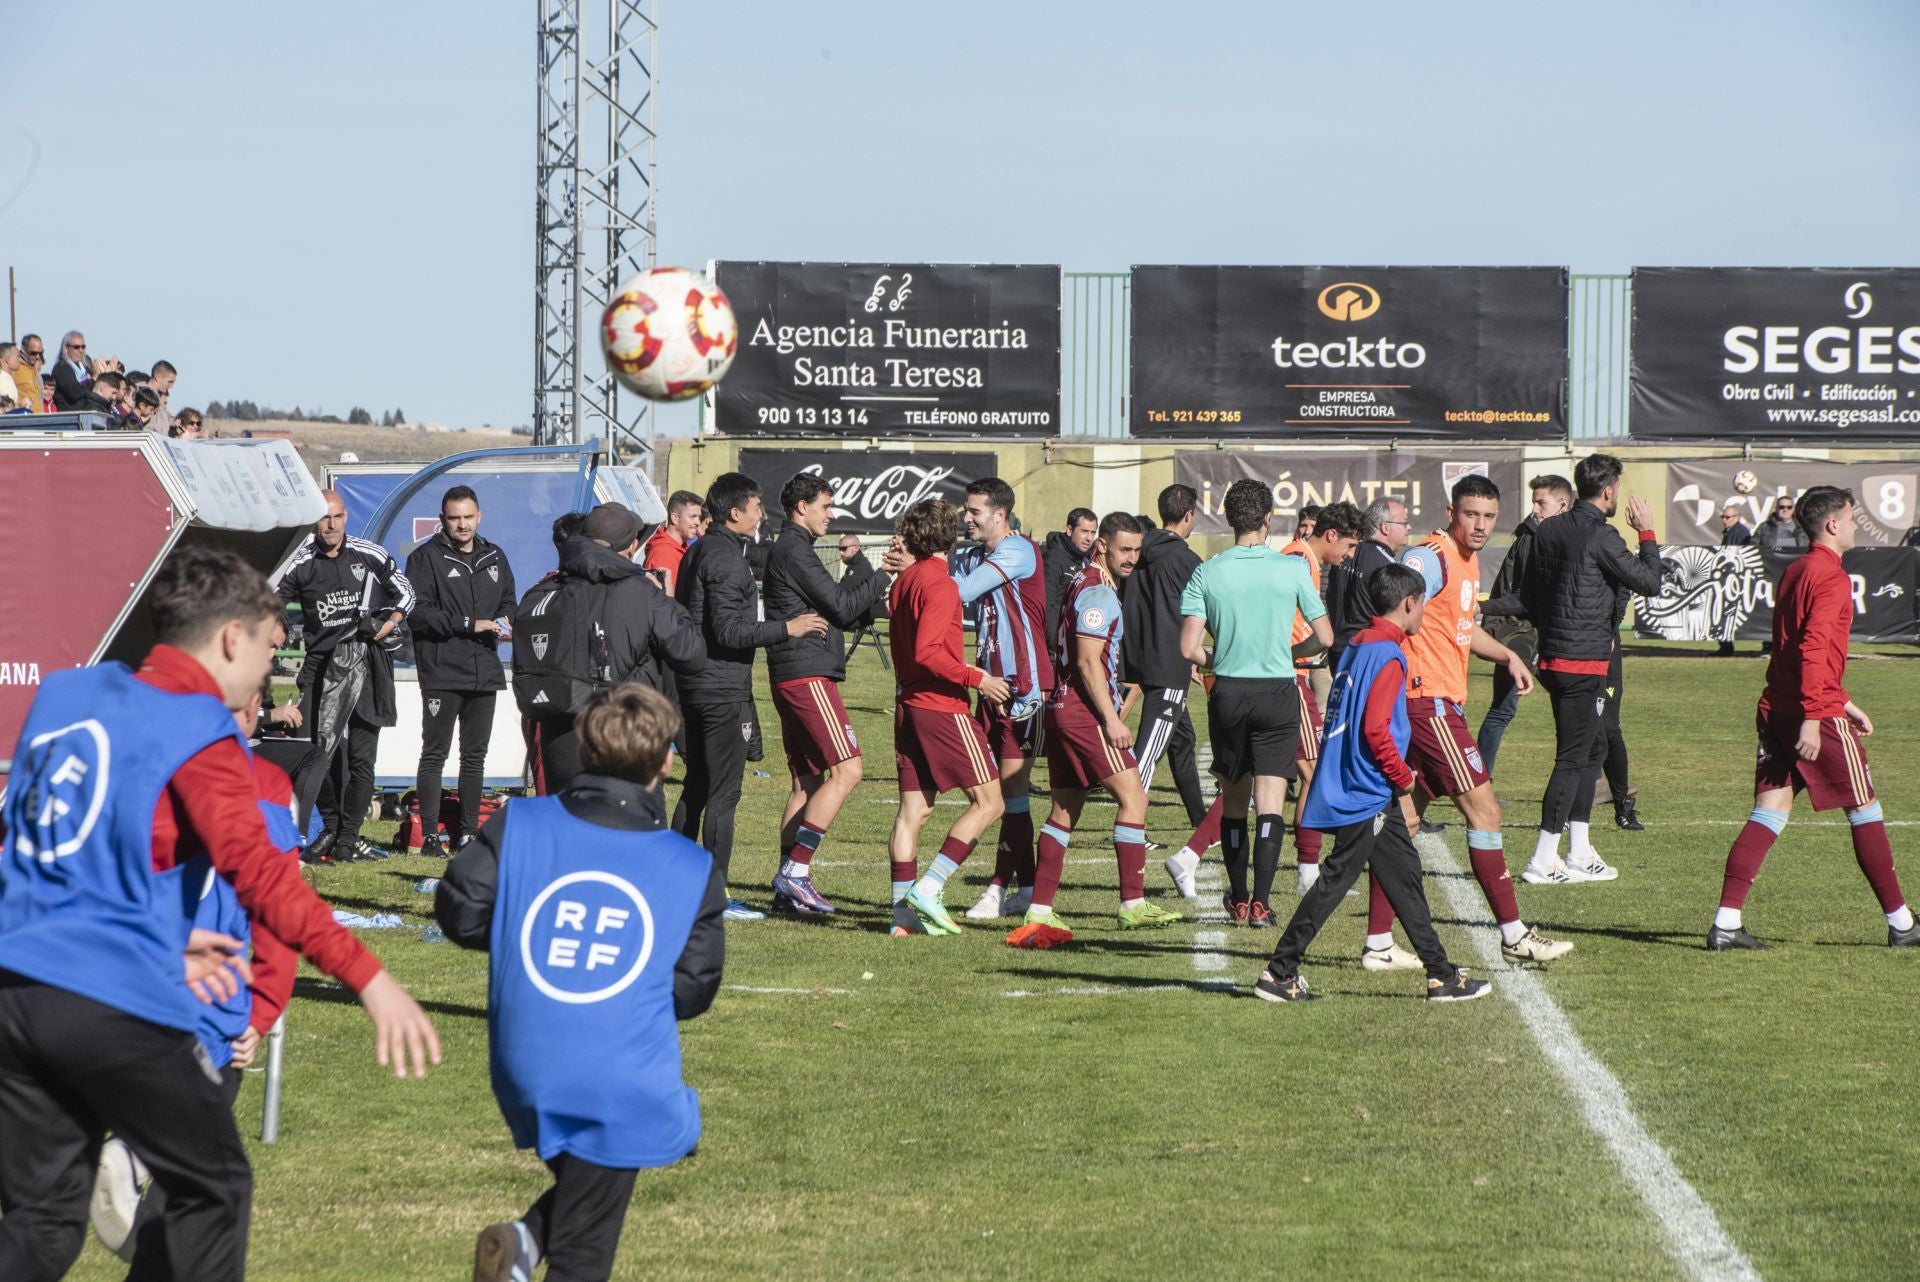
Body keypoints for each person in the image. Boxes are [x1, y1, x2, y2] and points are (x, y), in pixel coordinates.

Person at [0, 545, 439, 1282]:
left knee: (43, 1225)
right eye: (271, 650)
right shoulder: (194, 725)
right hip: (101, 1001)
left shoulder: (63, 696)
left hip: (14, 992)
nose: (270, 671)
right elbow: (262, 876)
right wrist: (370, 979)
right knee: (213, 1187)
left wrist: (162, 940)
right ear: (231, 638)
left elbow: (56, 856)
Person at [437, 684, 724, 1282]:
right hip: (620, 1069)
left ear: (586, 752)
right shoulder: (690, 865)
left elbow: (460, 909)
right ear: (668, 761)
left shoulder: (521, 821)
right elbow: (693, 989)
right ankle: (527, 1244)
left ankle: (522, 1243)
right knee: (586, 1249)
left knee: (594, 1182)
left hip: (525, 1059)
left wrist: (530, 938)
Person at [89, 683, 304, 1265]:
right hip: (212, 1005)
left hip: (120, 996)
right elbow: (279, 919)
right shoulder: (265, 788)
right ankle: (132, 1156)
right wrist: (261, 1012)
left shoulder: (131, 775)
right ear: (255, 708)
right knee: (209, 1189)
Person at [1252, 563, 1492, 1004]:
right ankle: (1279, 971)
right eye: (1423, 605)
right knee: (1335, 881)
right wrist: (1403, 778)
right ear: (1409, 603)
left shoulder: (1361, 643)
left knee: (1405, 878)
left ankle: (1441, 975)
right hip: (1368, 790)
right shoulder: (1388, 653)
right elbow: (1377, 730)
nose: (1423, 613)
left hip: (1364, 785)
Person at [1706, 485, 1919, 952]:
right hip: (1808, 712)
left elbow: (1796, 645)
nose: (1857, 523)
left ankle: (1725, 924)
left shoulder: (1799, 569)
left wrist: (1843, 700)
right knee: (1865, 809)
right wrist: (1816, 714)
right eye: (1851, 515)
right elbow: (1812, 647)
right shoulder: (1830, 576)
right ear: (1832, 525)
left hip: (1780, 706)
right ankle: (1903, 924)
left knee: (1769, 812)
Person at [1376, 476, 1572, 968]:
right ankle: (1513, 935)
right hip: (1430, 705)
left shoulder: (1466, 561)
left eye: (1488, 516)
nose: (1480, 525)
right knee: (1485, 812)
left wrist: (1508, 655)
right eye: (1471, 515)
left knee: (1405, 822)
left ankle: (1377, 944)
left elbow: (1461, 633)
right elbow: (1394, 594)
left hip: (1433, 704)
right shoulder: (1433, 555)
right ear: (1451, 513)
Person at [1011, 511, 1183, 945]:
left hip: (1064, 707)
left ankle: (1040, 910)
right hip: (1084, 713)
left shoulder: (1085, 581)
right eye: (1124, 549)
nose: (1132, 558)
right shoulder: (1098, 592)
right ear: (1102, 545)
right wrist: (1110, 718)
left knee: (1065, 810)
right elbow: (1087, 659)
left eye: (1136, 550)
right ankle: (1132, 904)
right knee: (1135, 798)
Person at [1178, 478, 1333, 927]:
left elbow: (1189, 648)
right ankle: (1262, 904)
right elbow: (1324, 638)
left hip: (1228, 690)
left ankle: (1239, 897)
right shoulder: (1291, 569)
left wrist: (1219, 657)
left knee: (1233, 801)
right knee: (1271, 800)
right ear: (1269, 519)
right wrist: (1293, 655)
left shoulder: (1208, 570)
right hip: (1277, 692)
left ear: (1228, 520)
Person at [673, 473, 826, 921]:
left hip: (701, 684)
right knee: (722, 795)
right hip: (719, 688)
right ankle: (711, 899)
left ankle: (678, 887)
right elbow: (727, 630)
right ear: (735, 512)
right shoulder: (722, 557)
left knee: (698, 787)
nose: (762, 514)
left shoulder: (706, 550)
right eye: (757, 507)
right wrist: (787, 628)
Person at [1520, 453, 1664, 885]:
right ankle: (1543, 858)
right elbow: (1650, 581)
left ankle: (1580, 851)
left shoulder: (1549, 530)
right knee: (1572, 758)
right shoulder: (1602, 536)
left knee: (1589, 752)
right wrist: (1648, 532)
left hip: (1556, 658)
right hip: (1583, 661)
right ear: (1608, 491)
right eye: (1617, 488)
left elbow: (1533, 595)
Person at [762, 472, 890, 915]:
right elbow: (839, 605)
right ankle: (795, 873)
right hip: (807, 674)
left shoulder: (793, 549)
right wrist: (884, 574)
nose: (831, 515)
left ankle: (785, 893)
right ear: (801, 507)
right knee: (849, 770)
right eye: (825, 506)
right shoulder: (794, 548)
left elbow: (839, 611)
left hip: (793, 672)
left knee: (806, 783)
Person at [882, 498, 1010, 936]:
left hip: (910, 706)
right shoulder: (940, 583)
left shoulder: (906, 581)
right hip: (941, 707)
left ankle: (902, 918)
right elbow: (928, 652)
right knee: (990, 802)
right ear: (949, 537)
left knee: (913, 811)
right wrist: (979, 678)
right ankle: (930, 888)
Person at [516, 503, 706, 796]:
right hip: (624, 734)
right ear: (632, 545)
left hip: (561, 733)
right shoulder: (641, 591)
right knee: (631, 832)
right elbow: (691, 654)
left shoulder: (551, 587)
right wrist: (667, 600)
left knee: (570, 830)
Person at [276, 489, 415, 863]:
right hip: (320, 669)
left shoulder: (368, 553)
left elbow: (406, 592)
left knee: (361, 759)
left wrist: (389, 624)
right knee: (318, 755)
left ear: (346, 516)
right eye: (324, 518)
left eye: (336, 517)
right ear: (314, 522)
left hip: (367, 666)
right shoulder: (301, 562)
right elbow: (269, 603)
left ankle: (349, 838)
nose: (331, 525)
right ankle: (335, 828)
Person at [943, 478, 1053, 922]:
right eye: (965, 511)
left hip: (1021, 687)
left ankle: (996, 888)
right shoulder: (973, 554)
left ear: (999, 515)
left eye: (974, 512)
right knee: (1002, 793)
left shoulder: (1018, 549)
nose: (965, 519)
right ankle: (1025, 888)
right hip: (989, 683)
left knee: (1011, 792)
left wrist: (915, 573)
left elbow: (956, 594)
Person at [405, 484, 518, 856]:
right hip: (442, 671)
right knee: (434, 753)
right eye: (454, 518)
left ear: (479, 516)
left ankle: (469, 833)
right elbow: (418, 613)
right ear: (443, 520)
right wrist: (469, 623)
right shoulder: (425, 558)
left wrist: (506, 623)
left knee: (474, 756)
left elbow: (508, 603)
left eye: (468, 517)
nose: (462, 525)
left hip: (484, 669)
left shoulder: (495, 556)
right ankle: (432, 838)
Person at [1275, 500, 1363, 893]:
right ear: (1330, 536)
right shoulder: (1298, 561)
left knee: (1252, 779)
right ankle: (1308, 870)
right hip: (1285, 679)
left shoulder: (1303, 560)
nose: (1347, 556)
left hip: (1285, 674)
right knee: (1314, 769)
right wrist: (1296, 652)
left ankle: (1189, 855)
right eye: (1348, 546)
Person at [1121, 484, 1209, 876]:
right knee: (1147, 752)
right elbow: (1202, 611)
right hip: (1167, 666)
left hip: (1143, 657)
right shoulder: (1185, 558)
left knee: (1182, 741)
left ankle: (1201, 821)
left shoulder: (1141, 551)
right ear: (1188, 515)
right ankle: (1130, 823)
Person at [1477, 474, 1571, 774]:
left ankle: (1592, 781)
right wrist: (1482, 607)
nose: (1535, 509)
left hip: (1532, 633)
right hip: (1521, 634)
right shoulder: (1534, 539)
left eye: (1541, 503)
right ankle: (1476, 783)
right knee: (1503, 712)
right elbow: (1524, 598)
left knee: (1572, 708)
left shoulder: (1542, 536)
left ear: (1563, 505)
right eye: (1535, 502)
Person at [1326, 495, 1412, 664]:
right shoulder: (1386, 566)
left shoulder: (1344, 553)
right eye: (1404, 523)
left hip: (1336, 652)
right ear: (1385, 527)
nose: (1409, 527)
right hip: (1368, 654)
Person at [1042, 506, 1098, 643]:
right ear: (1069, 530)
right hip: (1055, 645)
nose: (1089, 538)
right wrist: (1052, 646)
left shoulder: (1087, 559)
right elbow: (1047, 606)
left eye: (1093, 532)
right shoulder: (1053, 560)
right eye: (1084, 531)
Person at [642, 490, 703, 594]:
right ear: (675, 518)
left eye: (699, 517)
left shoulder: (679, 547)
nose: (697, 522)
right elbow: (665, 602)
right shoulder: (664, 555)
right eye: (692, 517)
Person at [1714, 502, 1755, 656]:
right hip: (1731, 577)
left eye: (1728, 517)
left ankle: (1726, 647)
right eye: (1723, 516)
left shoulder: (1740, 533)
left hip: (1734, 579)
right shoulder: (1731, 531)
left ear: (1737, 517)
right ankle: (1725, 646)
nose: (1724, 519)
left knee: (1726, 613)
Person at [10, 333, 45, 412]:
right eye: (33, 353)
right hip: (24, 419)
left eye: (40, 353)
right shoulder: (15, 369)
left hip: (40, 419)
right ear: (23, 349)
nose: (38, 357)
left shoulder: (34, 370)